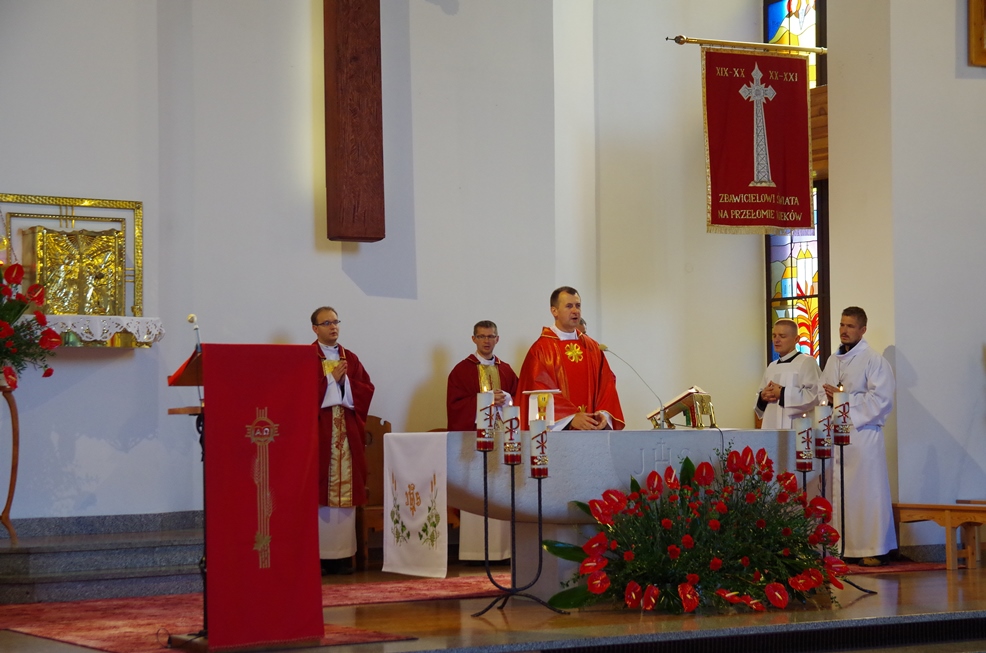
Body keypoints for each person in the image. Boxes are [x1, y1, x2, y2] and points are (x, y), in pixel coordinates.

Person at [821, 306, 896, 567]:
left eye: (850, 326)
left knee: (866, 493)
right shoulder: (832, 361)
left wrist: (843, 399)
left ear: (863, 330)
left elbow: (881, 401)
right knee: (840, 492)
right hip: (836, 436)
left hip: (862, 436)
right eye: (842, 325)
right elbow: (822, 395)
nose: (844, 330)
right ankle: (841, 547)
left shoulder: (874, 360)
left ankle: (872, 548)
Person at [446, 320, 518, 563]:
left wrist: (507, 398)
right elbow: (455, 406)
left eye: (491, 336)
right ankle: (475, 552)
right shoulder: (461, 371)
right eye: (482, 336)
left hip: (503, 441)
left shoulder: (507, 371)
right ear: (473, 339)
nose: (487, 341)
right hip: (475, 443)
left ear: (498, 339)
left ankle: (504, 552)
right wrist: (485, 400)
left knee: (502, 493)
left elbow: (519, 398)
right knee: (477, 490)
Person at [311, 306, 375, 575]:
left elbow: (366, 389)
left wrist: (343, 383)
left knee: (347, 490)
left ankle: (343, 557)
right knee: (319, 489)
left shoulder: (351, 358)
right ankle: (319, 558)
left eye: (335, 322)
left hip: (346, 434)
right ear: (315, 328)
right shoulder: (306, 357)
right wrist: (330, 380)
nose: (333, 327)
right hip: (320, 435)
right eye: (326, 323)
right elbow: (299, 393)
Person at [516, 286, 624, 430]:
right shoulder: (541, 350)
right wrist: (571, 418)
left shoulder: (592, 347)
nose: (575, 311)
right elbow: (537, 391)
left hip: (592, 432)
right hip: (558, 435)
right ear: (554, 311)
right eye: (569, 306)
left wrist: (602, 414)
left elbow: (607, 384)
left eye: (578, 306)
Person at [755, 318, 822, 428]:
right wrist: (763, 396)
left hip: (797, 427)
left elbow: (815, 395)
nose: (776, 340)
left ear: (796, 339)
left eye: (782, 336)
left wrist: (782, 393)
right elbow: (759, 396)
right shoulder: (772, 366)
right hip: (771, 426)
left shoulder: (807, 362)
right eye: (774, 336)